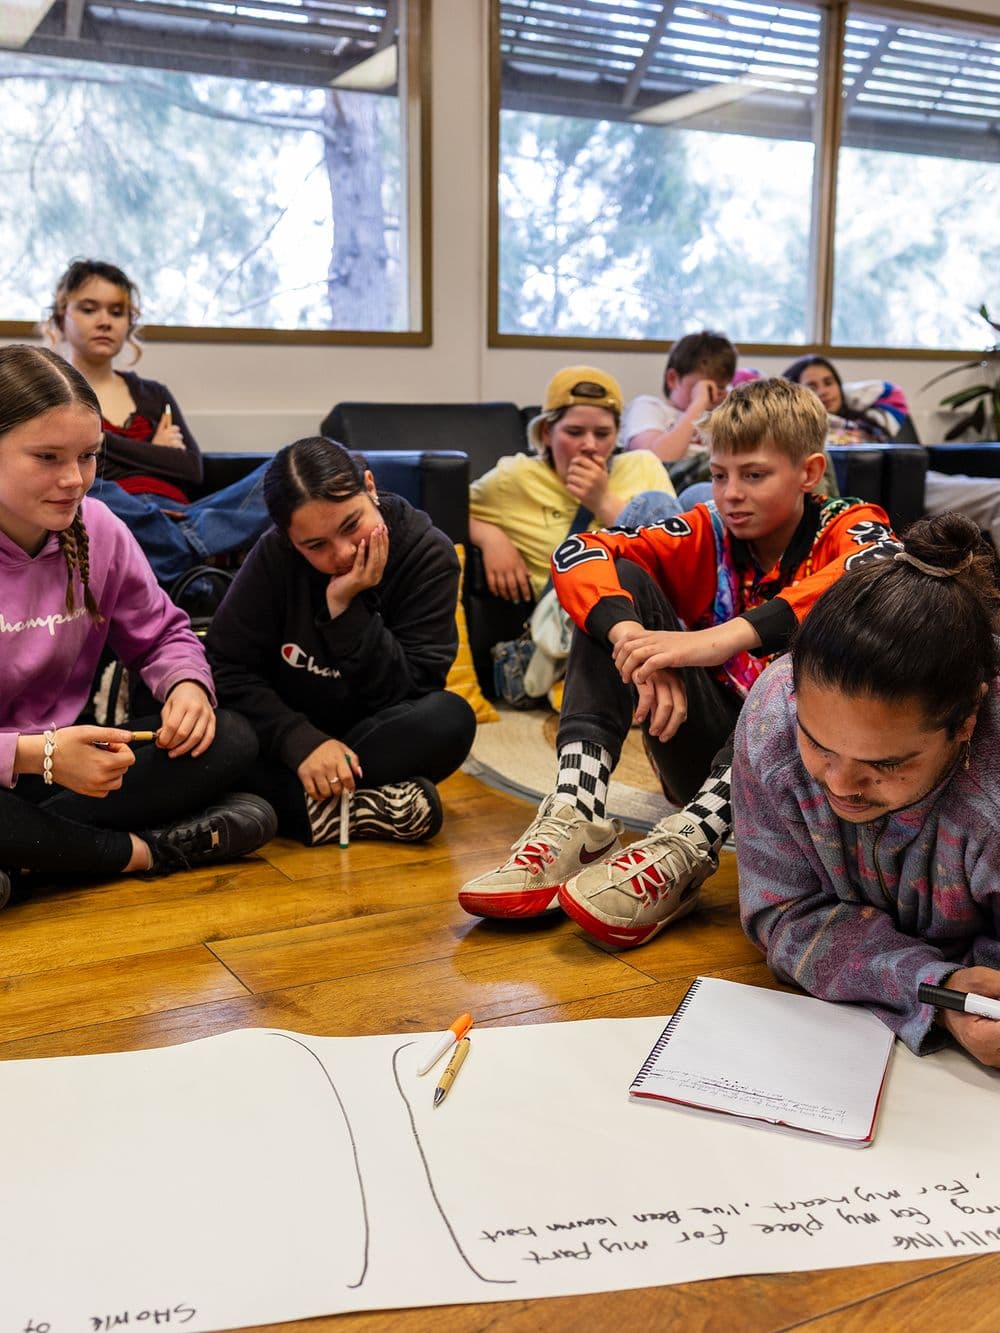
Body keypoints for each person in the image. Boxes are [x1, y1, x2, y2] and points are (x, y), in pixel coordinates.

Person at [458, 378, 899, 946]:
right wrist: (635, 641)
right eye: (718, 475)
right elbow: (578, 553)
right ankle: (577, 811)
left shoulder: (849, 523)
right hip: (698, 750)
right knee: (621, 586)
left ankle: (690, 845)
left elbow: (880, 565)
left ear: (809, 473)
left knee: (805, 664)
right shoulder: (706, 530)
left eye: (754, 475)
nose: (730, 493)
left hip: (798, 778)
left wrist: (716, 640)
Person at [0, 345, 277, 910]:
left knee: (230, 737)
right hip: (35, 764)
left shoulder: (98, 528)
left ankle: (30, 855)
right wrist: (40, 754)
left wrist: (186, 687)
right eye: (47, 457)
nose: (74, 480)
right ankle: (141, 852)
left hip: (65, 769)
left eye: (88, 456)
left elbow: (163, 634)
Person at [735, 512, 1000, 1068]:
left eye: (885, 764)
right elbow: (780, 909)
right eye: (819, 744)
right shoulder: (772, 722)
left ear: (967, 722)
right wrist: (938, 989)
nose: (840, 784)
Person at [206, 437, 476, 846]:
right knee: (210, 728)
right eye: (315, 546)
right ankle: (327, 809)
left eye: (352, 525)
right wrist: (300, 742)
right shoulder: (274, 556)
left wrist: (344, 609)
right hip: (282, 729)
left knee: (450, 719)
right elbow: (226, 666)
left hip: (367, 735)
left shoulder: (427, 554)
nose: (344, 553)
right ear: (289, 538)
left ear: (369, 486)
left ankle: (280, 802)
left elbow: (412, 689)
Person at [44, 258, 271, 586]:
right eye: (90, 309)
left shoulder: (153, 394)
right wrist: (154, 452)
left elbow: (192, 469)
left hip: (184, 514)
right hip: (111, 509)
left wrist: (106, 444)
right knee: (89, 490)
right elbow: (73, 470)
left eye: (117, 312)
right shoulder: (48, 391)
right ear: (61, 316)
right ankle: (196, 553)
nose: (105, 322)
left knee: (297, 465)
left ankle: (180, 545)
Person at [469, 366, 682, 605]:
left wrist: (603, 502)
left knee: (672, 501)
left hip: (651, 607)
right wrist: (489, 537)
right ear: (547, 433)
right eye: (574, 432)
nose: (590, 445)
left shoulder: (643, 465)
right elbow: (444, 509)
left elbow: (674, 565)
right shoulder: (515, 477)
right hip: (575, 618)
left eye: (602, 433)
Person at [786, 353, 1000, 552]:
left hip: (912, 482)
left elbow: (889, 391)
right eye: (812, 386)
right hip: (861, 490)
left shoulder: (870, 420)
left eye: (829, 382)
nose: (824, 391)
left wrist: (845, 392)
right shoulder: (804, 428)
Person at [621, 330, 737, 489]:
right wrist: (698, 403)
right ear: (672, 379)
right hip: (672, 482)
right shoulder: (648, 407)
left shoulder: (722, 413)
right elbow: (656, 460)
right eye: (702, 387)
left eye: (720, 387)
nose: (712, 396)